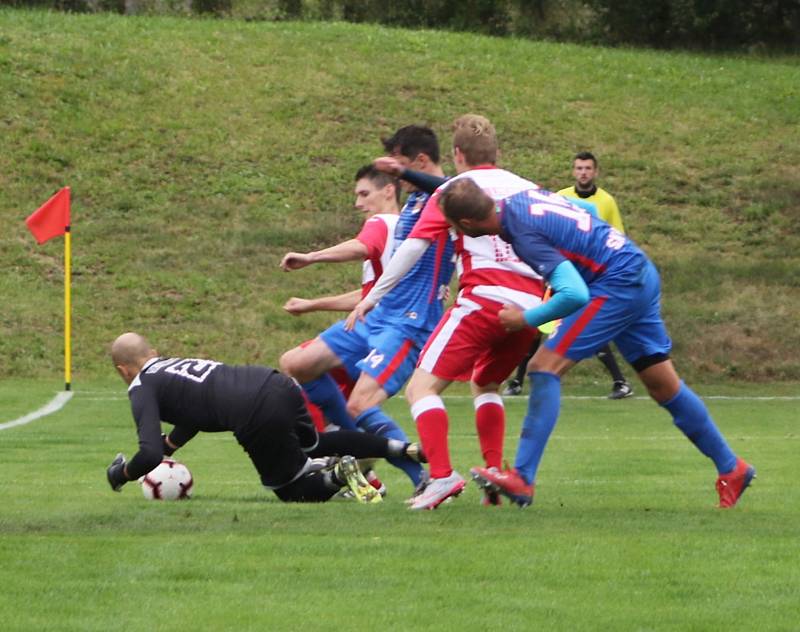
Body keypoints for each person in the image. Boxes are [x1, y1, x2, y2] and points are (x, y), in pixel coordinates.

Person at [438, 178, 755, 509]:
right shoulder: (521, 199)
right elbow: (585, 211)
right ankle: (733, 468)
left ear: (467, 225)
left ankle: (522, 478)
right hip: (637, 268)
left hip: (616, 283)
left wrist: (525, 319)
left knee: (543, 367)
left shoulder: (522, 234)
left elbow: (575, 293)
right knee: (664, 386)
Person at [349, 114, 547, 510]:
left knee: (420, 388)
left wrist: (372, 296)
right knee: (485, 384)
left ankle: (440, 476)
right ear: (498, 153)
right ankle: (494, 476)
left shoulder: (457, 190)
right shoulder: (529, 189)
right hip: (531, 309)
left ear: (457, 154)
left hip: (484, 300)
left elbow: (413, 247)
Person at [279, 126, 456, 494]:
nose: (358, 202)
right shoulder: (414, 203)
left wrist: (311, 257)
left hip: (409, 321)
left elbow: (365, 247)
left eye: (400, 166)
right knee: (297, 364)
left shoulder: (447, 198)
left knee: (360, 404)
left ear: (419, 163)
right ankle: (353, 448)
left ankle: (421, 475)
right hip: (376, 313)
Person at [105, 332, 425, 504]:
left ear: (123, 369)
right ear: (152, 351)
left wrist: (122, 474)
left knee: (291, 491)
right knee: (315, 444)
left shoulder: (142, 385)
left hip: (252, 411)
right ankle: (401, 448)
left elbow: (147, 454)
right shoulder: (171, 365)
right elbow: (196, 409)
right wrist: (172, 443)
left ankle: (339, 476)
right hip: (274, 383)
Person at [557, 151, 633, 400]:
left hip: (594, 274)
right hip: (565, 270)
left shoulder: (606, 201)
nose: (583, 172)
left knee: (591, 323)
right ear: (573, 171)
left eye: (588, 168)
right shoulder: (561, 198)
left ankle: (620, 382)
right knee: (543, 324)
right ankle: (517, 380)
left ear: (595, 171)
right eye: (579, 168)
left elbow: (617, 236)